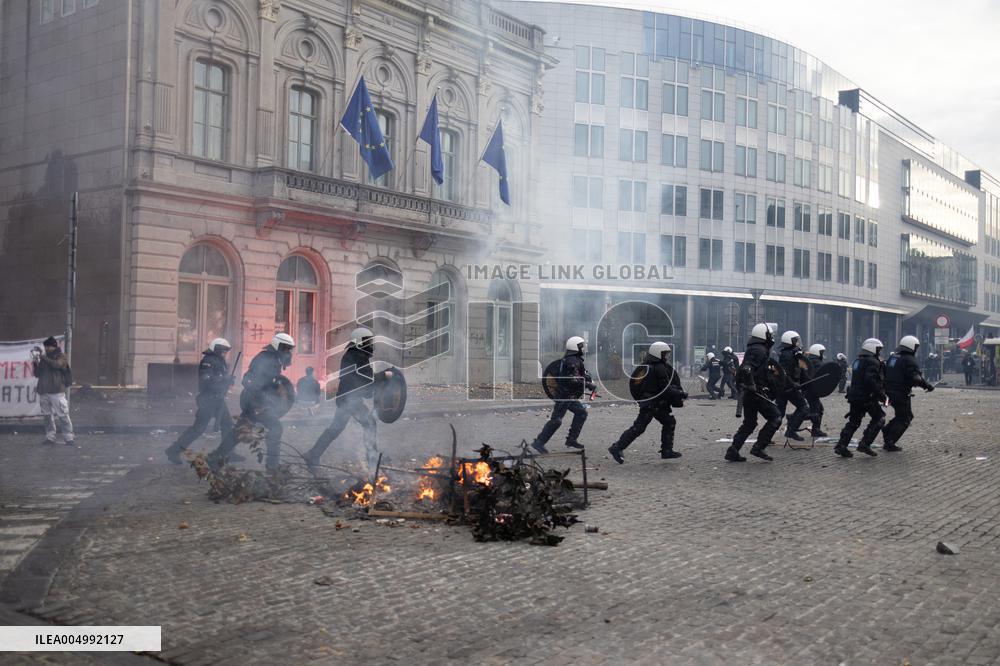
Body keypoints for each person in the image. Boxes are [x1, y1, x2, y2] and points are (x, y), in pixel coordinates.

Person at [304, 328, 390, 472]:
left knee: (336, 428)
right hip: (350, 400)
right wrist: (383, 376)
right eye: (368, 341)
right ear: (360, 342)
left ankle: (313, 454)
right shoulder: (356, 356)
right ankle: (372, 460)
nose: (370, 344)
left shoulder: (356, 355)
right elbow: (366, 379)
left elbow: (364, 381)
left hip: (348, 399)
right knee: (369, 424)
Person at [207, 333, 295, 472]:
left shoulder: (273, 359)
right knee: (276, 428)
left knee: (240, 431)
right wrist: (260, 401)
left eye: (290, 349)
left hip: (254, 402)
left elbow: (269, 383)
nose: (289, 352)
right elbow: (248, 379)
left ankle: (215, 457)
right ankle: (272, 467)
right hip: (256, 403)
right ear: (279, 346)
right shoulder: (267, 359)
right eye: (287, 349)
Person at [608, 342, 686, 464]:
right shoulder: (659, 367)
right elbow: (665, 388)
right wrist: (681, 393)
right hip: (653, 404)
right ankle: (617, 447)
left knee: (669, 421)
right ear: (658, 353)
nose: (667, 356)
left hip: (653, 403)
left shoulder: (647, 366)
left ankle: (667, 450)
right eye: (664, 353)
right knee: (640, 427)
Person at [164, 338, 234, 464]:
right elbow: (207, 379)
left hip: (218, 399)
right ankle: (173, 450)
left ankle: (228, 452)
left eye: (226, 352)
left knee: (227, 424)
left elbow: (221, 377)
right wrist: (223, 380)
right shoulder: (208, 360)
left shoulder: (220, 360)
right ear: (217, 349)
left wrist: (229, 380)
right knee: (198, 429)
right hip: (208, 400)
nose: (225, 354)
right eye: (223, 351)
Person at [726, 323, 782, 462]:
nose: (772, 337)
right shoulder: (759, 350)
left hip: (749, 393)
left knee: (750, 423)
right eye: (770, 335)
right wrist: (751, 385)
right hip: (755, 392)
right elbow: (747, 369)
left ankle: (733, 451)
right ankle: (758, 447)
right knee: (776, 417)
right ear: (764, 335)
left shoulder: (755, 348)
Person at [531, 336, 596, 454]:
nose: (584, 348)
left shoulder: (573, 359)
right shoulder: (572, 361)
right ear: (576, 347)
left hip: (569, 396)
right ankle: (539, 442)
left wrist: (586, 378)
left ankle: (571, 439)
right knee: (556, 421)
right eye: (581, 346)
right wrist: (588, 384)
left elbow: (578, 375)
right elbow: (572, 379)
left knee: (581, 413)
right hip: (564, 396)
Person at [834, 338, 886, 458]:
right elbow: (871, 380)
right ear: (872, 348)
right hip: (867, 397)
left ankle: (841, 446)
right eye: (878, 349)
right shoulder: (872, 361)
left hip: (855, 396)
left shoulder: (858, 360)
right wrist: (880, 394)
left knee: (853, 422)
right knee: (879, 418)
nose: (879, 352)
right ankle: (865, 444)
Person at [881, 335, 934, 452]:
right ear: (911, 346)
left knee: (901, 415)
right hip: (901, 392)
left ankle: (887, 431)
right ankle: (890, 440)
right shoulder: (909, 359)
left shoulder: (893, 357)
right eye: (916, 347)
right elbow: (916, 378)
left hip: (889, 391)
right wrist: (927, 386)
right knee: (906, 417)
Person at [31, 336, 74, 446]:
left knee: (63, 415)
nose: (46, 349)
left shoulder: (61, 356)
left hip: (56, 391)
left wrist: (43, 357)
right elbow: (38, 374)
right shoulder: (44, 358)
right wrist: (35, 363)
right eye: (45, 347)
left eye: (48, 347)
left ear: (54, 346)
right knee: (47, 416)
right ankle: (50, 437)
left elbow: (57, 365)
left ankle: (69, 437)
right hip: (44, 391)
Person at [775, 330, 810, 441]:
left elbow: (800, 371)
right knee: (803, 408)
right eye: (796, 341)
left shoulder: (792, 354)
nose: (798, 343)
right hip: (788, 388)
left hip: (785, 388)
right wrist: (793, 384)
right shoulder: (787, 355)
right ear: (790, 341)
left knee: (779, 414)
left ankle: (765, 437)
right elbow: (784, 373)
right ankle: (791, 430)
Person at [802, 343, 828, 437]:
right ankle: (815, 429)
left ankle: (815, 429)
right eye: (821, 352)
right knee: (816, 411)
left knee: (818, 409)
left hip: (807, 390)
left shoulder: (808, 361)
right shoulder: (817, 363)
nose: (822, 354)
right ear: (817, 352)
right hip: (812, 391)